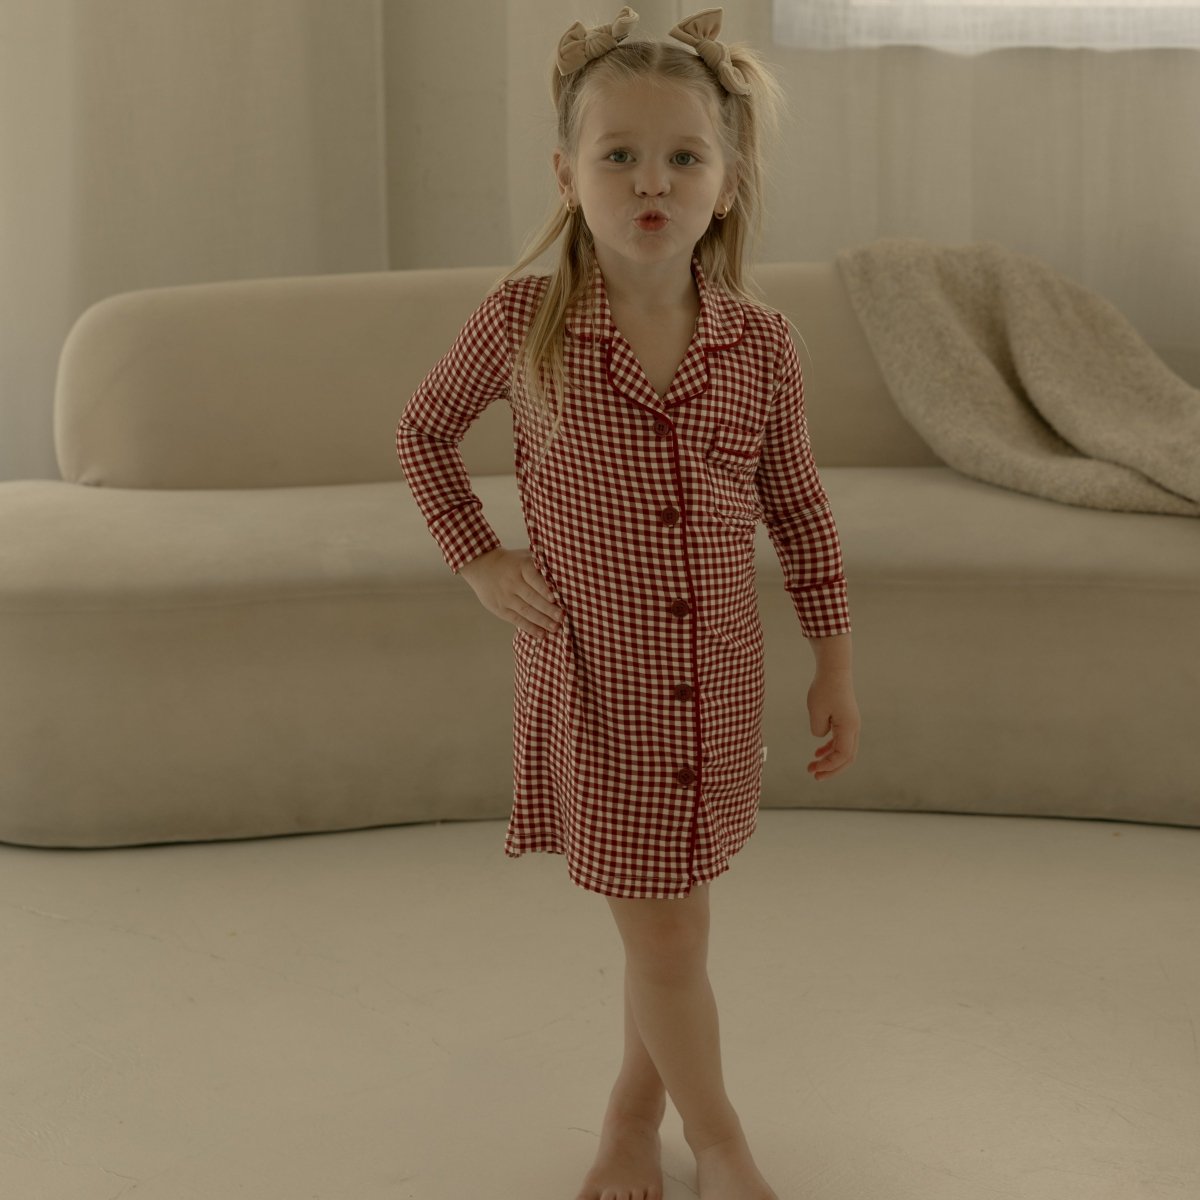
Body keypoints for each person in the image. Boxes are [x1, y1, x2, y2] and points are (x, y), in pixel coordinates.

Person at [397, 7, 860, 1198]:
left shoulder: (762, 346)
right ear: (566, 173)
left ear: (727, 177)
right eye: (618, 156)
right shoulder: (521, 325)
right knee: (664, 929)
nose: (651, 181)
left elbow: (801, 511)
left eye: (683, 157)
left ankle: (625, 1118)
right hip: (596, 688)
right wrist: (480, 559)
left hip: (713, 683)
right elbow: (424, 436)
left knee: (673, 925)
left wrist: (835, 662)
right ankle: (718, 1138)